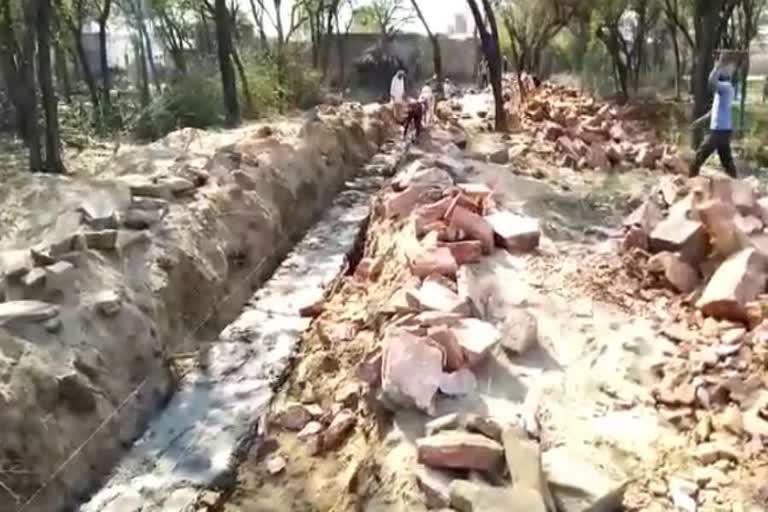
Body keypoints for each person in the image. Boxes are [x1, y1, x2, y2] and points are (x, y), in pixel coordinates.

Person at [690, 53, 738, 178]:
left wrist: (718, 65)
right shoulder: (721, 91)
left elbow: (711, 81)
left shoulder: (726, 88)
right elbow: (713, 113)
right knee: (727, 162)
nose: (719, 71)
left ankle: (690, 181)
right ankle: (737, 186)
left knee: (699, 157)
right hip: (722, 130)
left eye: (723, 69)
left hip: (718, 131)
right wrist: (699, 122)